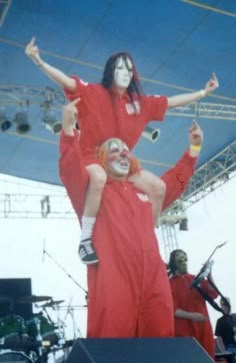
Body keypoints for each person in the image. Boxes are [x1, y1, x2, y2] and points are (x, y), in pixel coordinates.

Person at [25, 37, 219, 265]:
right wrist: (39, 61)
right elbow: (67, 82)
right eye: (120, 67)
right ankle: (86, 239)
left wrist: (202, 93)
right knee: (98, 177)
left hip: (124, 162)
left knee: (158, 187)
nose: (126, 72)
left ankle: (149, 232)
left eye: (129, 68)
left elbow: (172, 102)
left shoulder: (140, 103)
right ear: (110, 72)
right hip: (93, 156)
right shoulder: (94, 93)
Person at [59, 99, 203, 338]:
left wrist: (194, 151)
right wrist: (67, 131)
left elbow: (177, 183)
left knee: (160, 350)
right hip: (114, 286)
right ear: (102, 159)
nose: (122, 153)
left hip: (154, 285)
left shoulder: (144, 193)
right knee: (114, 351)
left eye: (125, 150)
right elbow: (69, 169)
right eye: (114, 150)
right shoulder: (92, 193)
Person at [168, 249, 218, 358]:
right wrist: (192, 316)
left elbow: (213, 293)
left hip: (203, 328)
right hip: (184, 331)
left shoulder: (195, 279)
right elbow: (172, 310)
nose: (183, 259)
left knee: (207, 358)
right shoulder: (169, 284)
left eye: (185, 257)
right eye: (179, 257)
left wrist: (209, 274)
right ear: (173, 262)